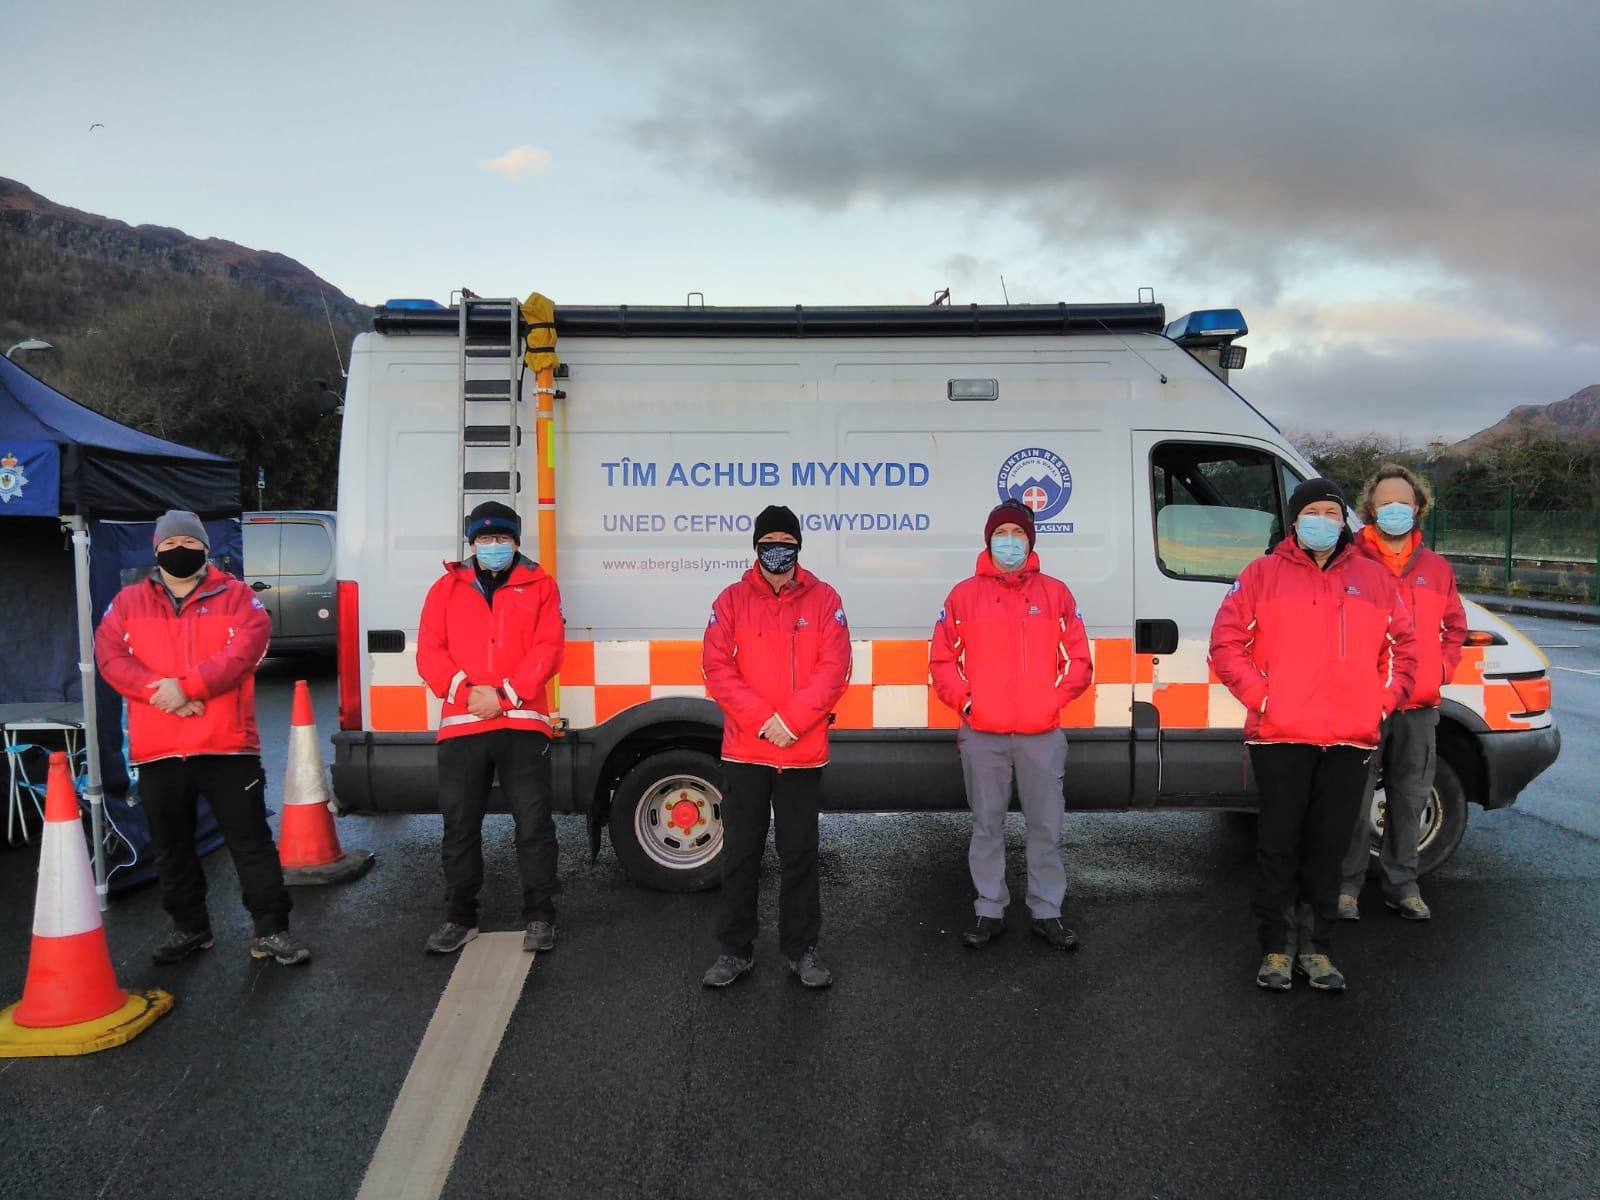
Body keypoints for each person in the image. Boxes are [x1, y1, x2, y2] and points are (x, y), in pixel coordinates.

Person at [1210, 478, 1417, 993]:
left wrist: (1379, 704)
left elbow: (1404, 651)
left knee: (1329, 847)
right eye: (1312, 511)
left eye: (1331, 511)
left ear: (1343, 519)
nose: (1321, 520)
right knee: (1279, 845)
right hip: (1280, 735)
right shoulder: (1260, 575)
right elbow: (1226, 643)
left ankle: (1318, 948)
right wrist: (1263, 698)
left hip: (1349, 738)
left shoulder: (1374, 579)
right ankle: (1277, 949)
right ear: (1295, 520)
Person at [95, 510, 310, 966]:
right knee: (171, 848)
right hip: (159, 750)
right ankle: (190, 928)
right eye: (169, 546)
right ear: (155, 551)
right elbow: (109, 656)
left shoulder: (236, 597)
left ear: (205, 549)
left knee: (250, 843)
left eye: (187, 544)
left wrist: (187, 689)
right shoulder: (129, 602)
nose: (179, 552)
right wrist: (163, 694)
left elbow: (246, 650)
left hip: (227, 746)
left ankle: (271, 931)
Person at [929, 498, 1093, 951]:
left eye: (1018, 534)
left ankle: (1048, 911)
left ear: (1031, 540)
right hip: (983, 734)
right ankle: (988, 909)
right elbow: (942, 660)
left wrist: (1050, 702)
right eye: (1002, 534)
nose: (1009, 542)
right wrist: (967, 705)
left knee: (1046, 827)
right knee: (987, 826)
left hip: (1042, 735)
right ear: (989, 540)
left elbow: (1080, 661)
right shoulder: (963, 595)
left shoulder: (1055, 594)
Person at [700, 504, 851, 989]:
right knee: (740, 854)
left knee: (800, 855)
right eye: (770, 543)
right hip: (747, 751)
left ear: (798, 548)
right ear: (757, 547)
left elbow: (836, 668)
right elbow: (716, 669)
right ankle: (734, 951)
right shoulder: (730, 601)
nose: (778, 550)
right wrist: (767, 722)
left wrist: (793, 721)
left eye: (787, 542)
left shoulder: (825, 600)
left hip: (802, 753)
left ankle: (802, 950)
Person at [415, 501, 564, 955]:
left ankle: (540, 916)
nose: (493, 546)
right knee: (460, 826)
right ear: (471, 543)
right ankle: (460, 918)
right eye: (484, 538)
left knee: (534, 825)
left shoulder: (540, 586)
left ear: (516, 541)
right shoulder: (445, 588)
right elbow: (429, 651)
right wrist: (467, 694)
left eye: (502, 538)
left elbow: (549, 647)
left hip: (522, 723)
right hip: (463, 726)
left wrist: (504, 696)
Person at [1339, 464, 1466, 922]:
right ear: (1370, 508)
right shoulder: (1349, 562)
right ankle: (1346, 887)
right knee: (1352, 800)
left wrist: (1441, 668)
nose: (1395, 509)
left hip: (1417, 706)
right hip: (1362, 703)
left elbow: (1455, 629)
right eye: (1386, 502)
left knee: (1409, 798)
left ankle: (1402, 885)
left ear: (1419, 509)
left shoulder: (1437, 569)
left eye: (1404, 503)